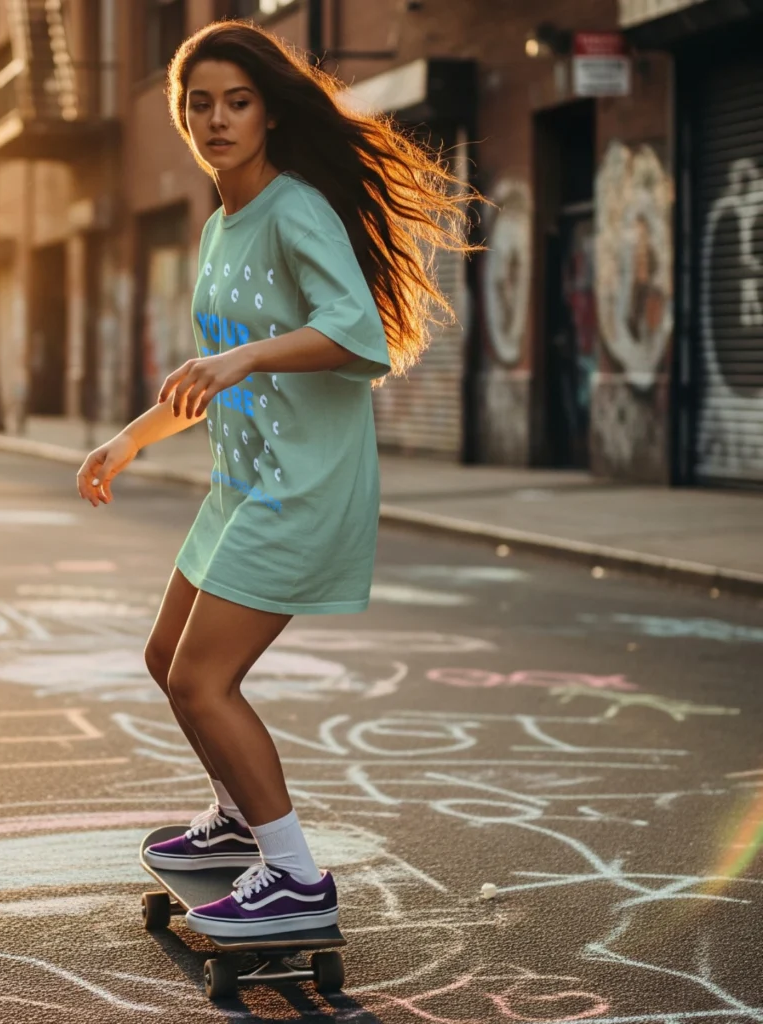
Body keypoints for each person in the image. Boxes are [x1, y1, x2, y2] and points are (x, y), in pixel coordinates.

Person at [76, 19, 473, 938]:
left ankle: (294, 875)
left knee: (205, 681)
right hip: (243, 481)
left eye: (237, 101)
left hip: (303, 486)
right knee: (164, 663)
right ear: (183, 119)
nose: (217, 118)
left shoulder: (296, 207)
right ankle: (232, 823)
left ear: (267, 113)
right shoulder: (220, 224)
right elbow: (218, 369)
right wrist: (130, 438)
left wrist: (247, 358)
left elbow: (357, 337)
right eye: (199, 104)